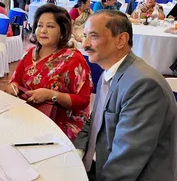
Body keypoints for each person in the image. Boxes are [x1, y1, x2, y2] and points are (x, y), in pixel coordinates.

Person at [74, 10, 177, 181]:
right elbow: (95, 119)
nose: (84, 44)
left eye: (93, 36)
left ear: (121, 40)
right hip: (97, 164)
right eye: (85, 35)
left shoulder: (143, 85)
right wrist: (77, 152)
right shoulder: (109, 72)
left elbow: (127, 160)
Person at [5, 4, 92, 141]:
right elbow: (14, 81)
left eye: (50, 26)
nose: (43, 31)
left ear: (62, 31)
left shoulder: (74, 59)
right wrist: (13, 87)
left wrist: (51, 95)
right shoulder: (29, 54)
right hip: (28, 115)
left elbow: (83, 100)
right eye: (40, 25)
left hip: (59, 123)